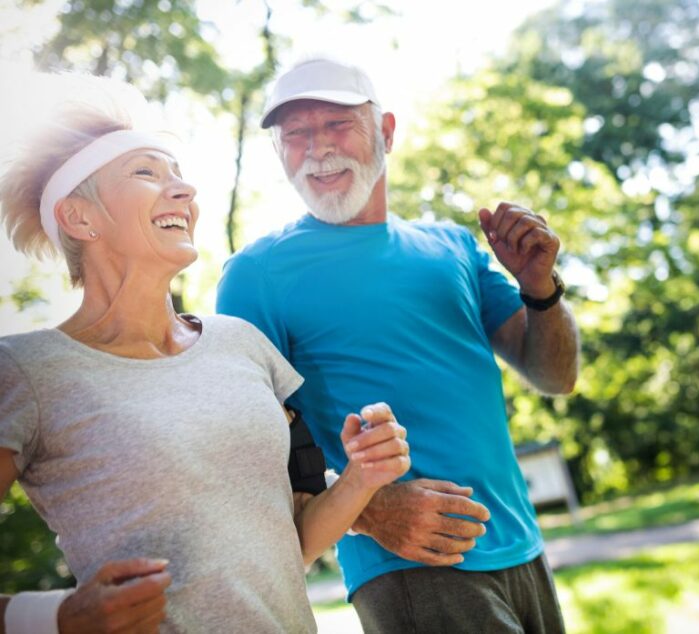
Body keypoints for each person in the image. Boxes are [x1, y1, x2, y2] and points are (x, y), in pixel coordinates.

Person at [0, 80, 411, 633]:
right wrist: (57, 618)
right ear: (79, 217)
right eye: (147, 173)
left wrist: (362, 476)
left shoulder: (241, 343)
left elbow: (296, 541)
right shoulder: (28, 371)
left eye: (179, 175)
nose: (184, 190)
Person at [217, 57, 580, 632]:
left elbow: (555, 376)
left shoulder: (452, 247)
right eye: (296, 135)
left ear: (385, 132)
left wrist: (539, 288)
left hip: (522, 545)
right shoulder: (256, 273)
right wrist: (370, 509)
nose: (317, 148)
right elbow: (245, 445)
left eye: (336, 125)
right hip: (411, 563)